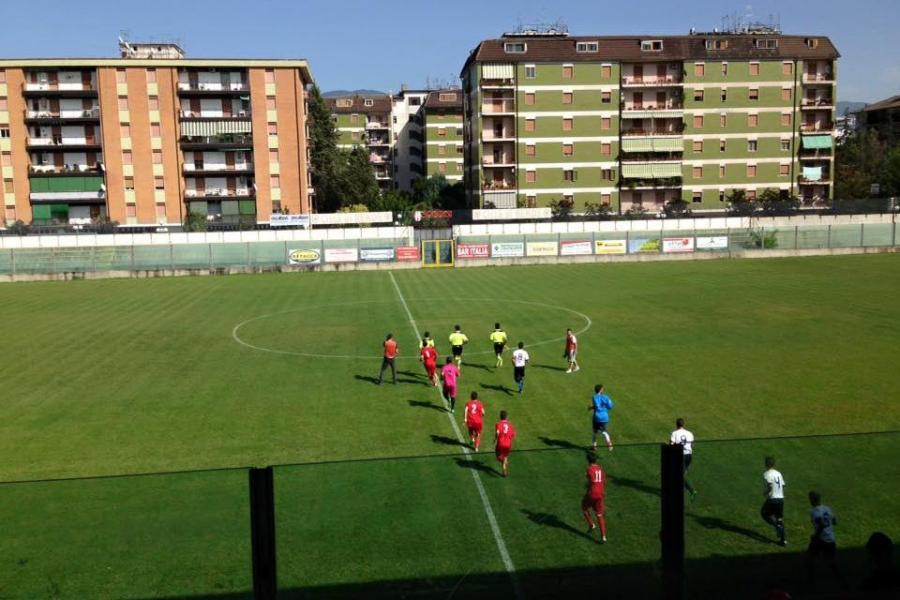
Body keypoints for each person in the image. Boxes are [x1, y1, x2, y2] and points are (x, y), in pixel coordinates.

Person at [807, 491, 842, 583]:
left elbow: (821, 525)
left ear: (811, 500)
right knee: (832, 562)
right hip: (831, 539)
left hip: (821, 539)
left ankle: (810, 579)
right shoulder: (827, 508)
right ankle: (840, 579)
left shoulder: (814, 512)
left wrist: (815, 537)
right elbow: (834, 521)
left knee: (810, 557)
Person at [581, 451, 608, 543]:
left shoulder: (589, 469)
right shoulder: (600, 468)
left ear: (588, 460)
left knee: (584, 507)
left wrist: (587, 487)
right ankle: (603, 537)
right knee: (599, 515)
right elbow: (604, 481)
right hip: (601, 494)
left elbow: (590, 481)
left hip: (592, 493)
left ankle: (591, 524)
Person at [761, 456, 787, 546]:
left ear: (766, 464)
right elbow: (783, 485)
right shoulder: (778, 473)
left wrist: (765, 493)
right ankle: (783, 541)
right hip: (781, 499)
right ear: (774, 464)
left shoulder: (767, 474)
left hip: (772, 499)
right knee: (779, 519)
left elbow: (770, 486)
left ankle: (776, 526)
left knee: (764, 513)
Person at [669, 418, 697, 501]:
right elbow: (692, 445)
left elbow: (671, 444)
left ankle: (692, 491)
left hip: (681, 456)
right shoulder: (690, 433)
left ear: (676, 424)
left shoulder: (674, 433)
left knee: (679, 475)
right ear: (683, 424)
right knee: (682, 474)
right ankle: (680, 490)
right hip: (689, 456)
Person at [590, 384, 614, 451]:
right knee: (604, 432)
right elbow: (610, 406)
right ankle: (609, 444)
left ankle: (594, 446)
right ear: (600, 390)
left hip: (596, 417)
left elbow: (596, 406)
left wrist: (591, 407)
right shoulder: (606, 397)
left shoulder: (594, 397)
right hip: (604, 417)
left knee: (595, 432)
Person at [494, 410, 516, 477]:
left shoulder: (498, 424)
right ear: (507, 417)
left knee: (498, 455)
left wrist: (495, 439)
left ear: (500, 416)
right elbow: (513, 435)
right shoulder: (510, 425)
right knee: (505, 456)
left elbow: (497, 432)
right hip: (508, 444)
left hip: (500, 444)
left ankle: (503, 460)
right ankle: (504, 471)